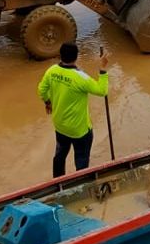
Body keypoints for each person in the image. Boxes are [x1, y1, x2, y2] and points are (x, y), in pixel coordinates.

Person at [38, 42, 110, 178]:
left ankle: (58, 181)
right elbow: (102, 91)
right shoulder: (81, 78)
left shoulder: (51, 71)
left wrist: (48, 102)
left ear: (60, 55)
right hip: (79, 130)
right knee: (81, 159)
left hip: (60, 126)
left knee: (60, 155)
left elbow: (42, 90)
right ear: (77, 57)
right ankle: (80, 182)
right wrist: (102, 69)